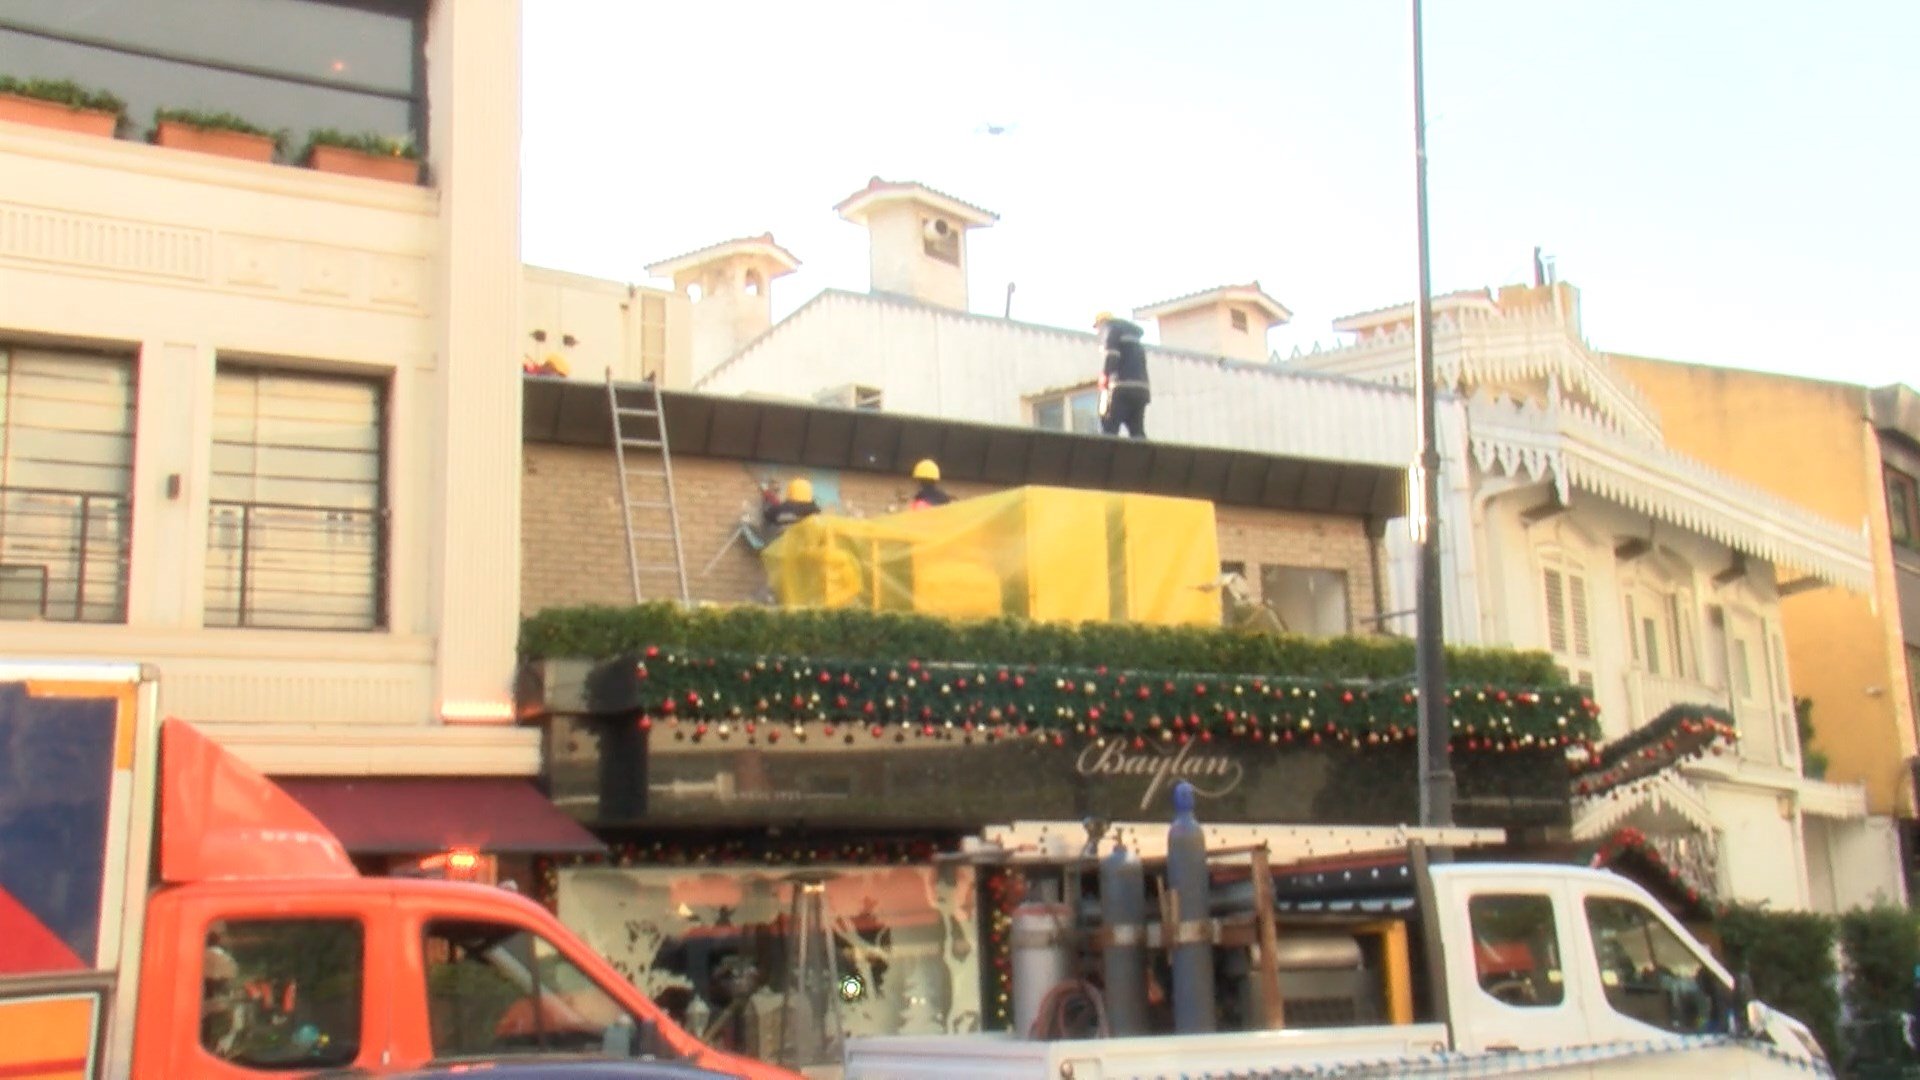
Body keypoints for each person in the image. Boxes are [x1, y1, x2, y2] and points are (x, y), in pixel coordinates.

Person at [1094, 312, 1150, 439]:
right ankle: (1141, 457)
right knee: (1137, 432)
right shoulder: (1133, 337)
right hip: (1141, 391)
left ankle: (1107, 457)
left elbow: (1111, 355)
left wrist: (1105, 376)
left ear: (1102, 323)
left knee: (1108, 429)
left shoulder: (1110, 328)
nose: (1098, 332)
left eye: (1097, 328)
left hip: (1120, 388)